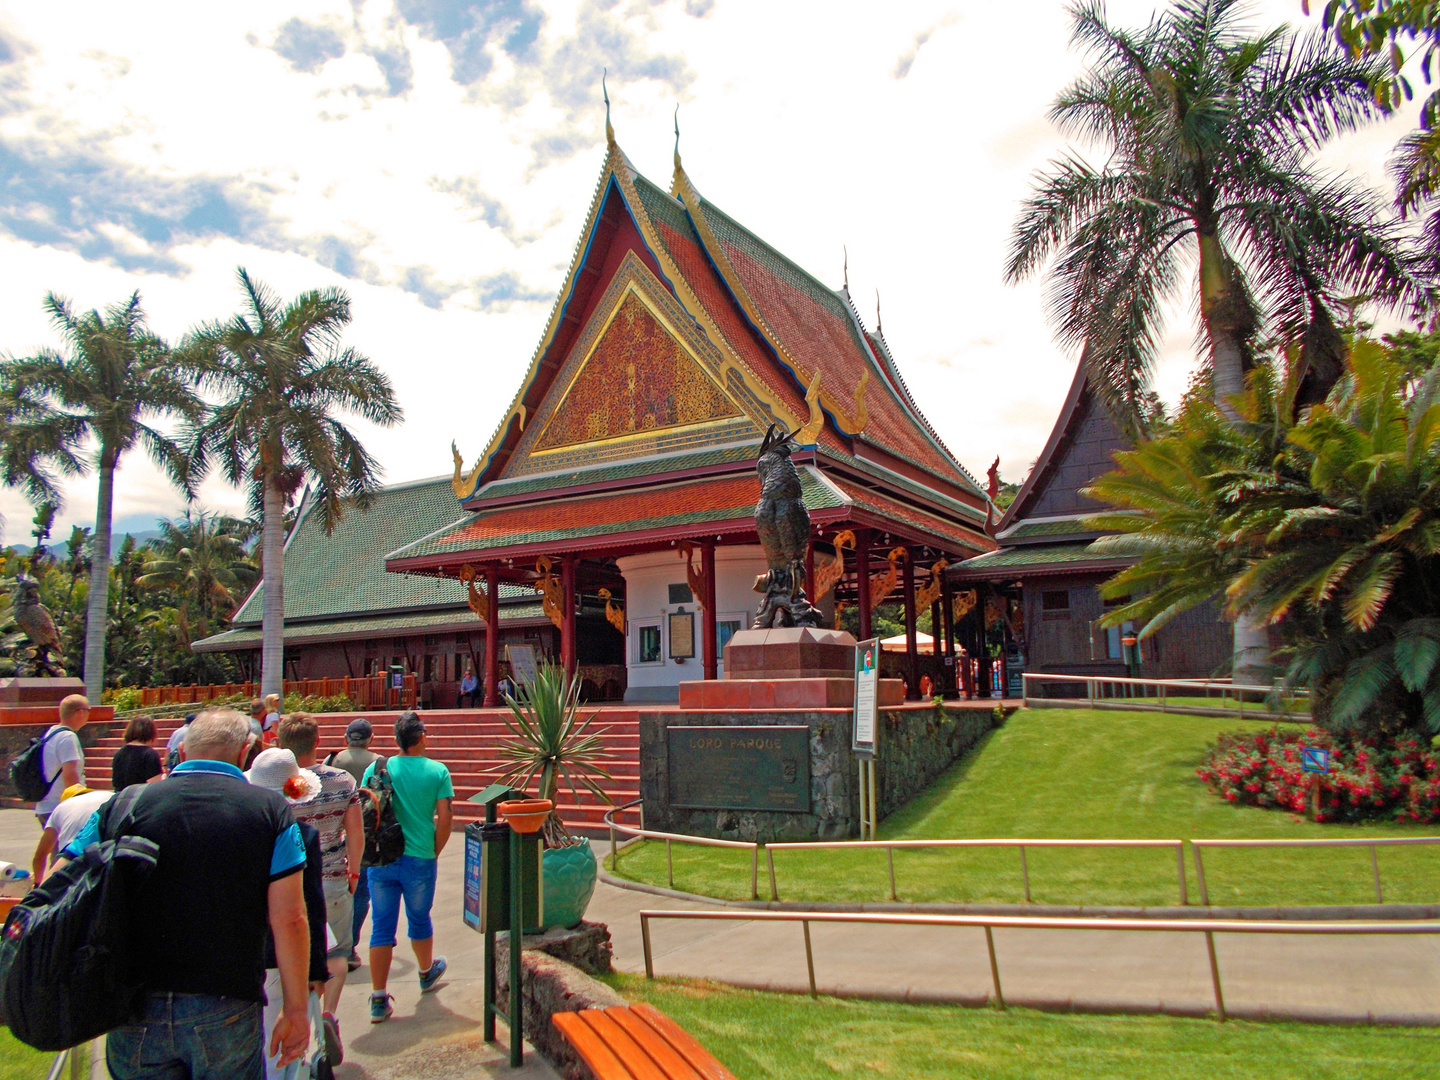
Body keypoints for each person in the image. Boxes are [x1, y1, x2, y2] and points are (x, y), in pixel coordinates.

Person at [60, 709, 311, 1080]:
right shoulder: (270, 810)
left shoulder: (124, 803)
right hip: (225, 1000)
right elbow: (290, 920)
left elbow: (62, 879)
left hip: (133, 1002)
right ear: (245, 752)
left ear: (182, 750)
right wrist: (295, 1009)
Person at [276, 715, 361, 1064]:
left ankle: (296, 1016)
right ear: (317, 741)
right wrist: (353, 872)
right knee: (337, 951)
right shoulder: (341, 780)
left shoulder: (279, 783)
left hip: (288, 881)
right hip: (332, 874)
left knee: (290, 952)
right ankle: (328, 1013)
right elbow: (355, 832)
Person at [245, 748, 330, 1080]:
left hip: (245, 953)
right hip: (283, 958)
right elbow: (310, 906)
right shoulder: (302, 836)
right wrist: (315, 968)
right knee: (279, 1054)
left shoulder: (236, 831)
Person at [362, 711, 452, 1023]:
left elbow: (366, 809)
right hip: (419, 857)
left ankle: (378, 997)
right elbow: (446, 819)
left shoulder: (377, 768)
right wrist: (433, 851)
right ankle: (426, 972)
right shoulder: (437, 771)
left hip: (382, 859)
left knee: (381, 927)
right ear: (422, 737)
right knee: (419, 919)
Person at [326, 719, 383, 970]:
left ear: (346, 737)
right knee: (360, 893)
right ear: (371, 738)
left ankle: (331, 944)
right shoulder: (381, 761)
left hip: (333, 836)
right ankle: (348, 947)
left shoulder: (332, 760)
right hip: (366, 835)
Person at [30, 783, 111, 882]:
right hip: (106, 851)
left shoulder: (61, 808)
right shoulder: (106, 796)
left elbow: (41, 855)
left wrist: (38, 885)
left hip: (72, 856)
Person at [34, 694, 90, 826]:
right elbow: (70, 773)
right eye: (88, 710)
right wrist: (77, 805)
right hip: (59, 808)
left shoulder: (51, 733)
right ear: (80, 712)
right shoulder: (67, 737)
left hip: (46, 807)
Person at [112, 716, 163, 791]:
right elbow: (154, 787)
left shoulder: (119, 753)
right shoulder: (150, 755)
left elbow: (116, 782)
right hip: (139, 799)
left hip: (119, 797)